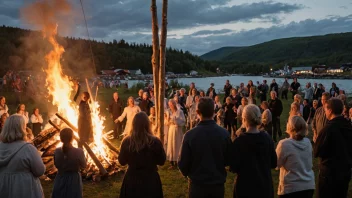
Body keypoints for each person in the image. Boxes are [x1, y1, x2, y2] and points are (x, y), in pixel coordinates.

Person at [178, 97, 231, 198]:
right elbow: (229, 159)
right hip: (217, 184)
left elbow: (182, 163)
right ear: (213, 112)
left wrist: (188, 174)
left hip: (197, 185)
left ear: (198, 112)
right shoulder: (224, 134)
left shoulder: (190, 135)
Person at [230, 104, 277, 198]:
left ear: (243, 119)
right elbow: (273, 163)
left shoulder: (239, 141)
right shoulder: (267, 139)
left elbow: (233, 167)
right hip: (264, 186)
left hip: (245, 187)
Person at [118, 112, 166, 198]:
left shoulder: (127, 141)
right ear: (148, 125)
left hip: (132, 180)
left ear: (133, 125)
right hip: (150, 181)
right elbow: (162, 161)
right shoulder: (155, 142)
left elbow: (122, 161)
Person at [314, 98, 352, 198]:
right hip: (345, 172)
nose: (325, 111)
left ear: (330, 110)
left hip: (329, 175)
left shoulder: (328, 129)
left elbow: (317, 151)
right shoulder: (349, 126)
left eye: (325, 109)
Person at [0, 115, 45, 198]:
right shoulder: (28, 148)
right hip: (24, 188)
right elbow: (39, 171)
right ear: (21, 129)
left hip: (3, 186)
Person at [276, 116, 315, 198]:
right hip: (308, 186)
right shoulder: (308, 142)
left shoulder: (284, 144)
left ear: (290, 126)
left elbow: (276, 164)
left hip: (290, 188)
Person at [52, 128, 87, 198]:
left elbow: (56, 164)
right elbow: (84, 165)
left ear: (61, 138)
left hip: (60, 178)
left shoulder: (57, 151)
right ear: (72, 138)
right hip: (73, 180)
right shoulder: (79, 151)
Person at [166, 99, 185, 169]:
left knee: (177, 144)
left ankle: (178, 161)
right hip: (171, 130)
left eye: (171, 105)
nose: (170, 106)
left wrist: (175, 120)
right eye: (169, 105)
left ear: (174, 104)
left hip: (177, 130)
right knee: (171, 144)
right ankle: (171, 162)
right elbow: (166, 122)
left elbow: (183, 121)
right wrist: (167, 120)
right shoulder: (168, 112)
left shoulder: (180, 112)